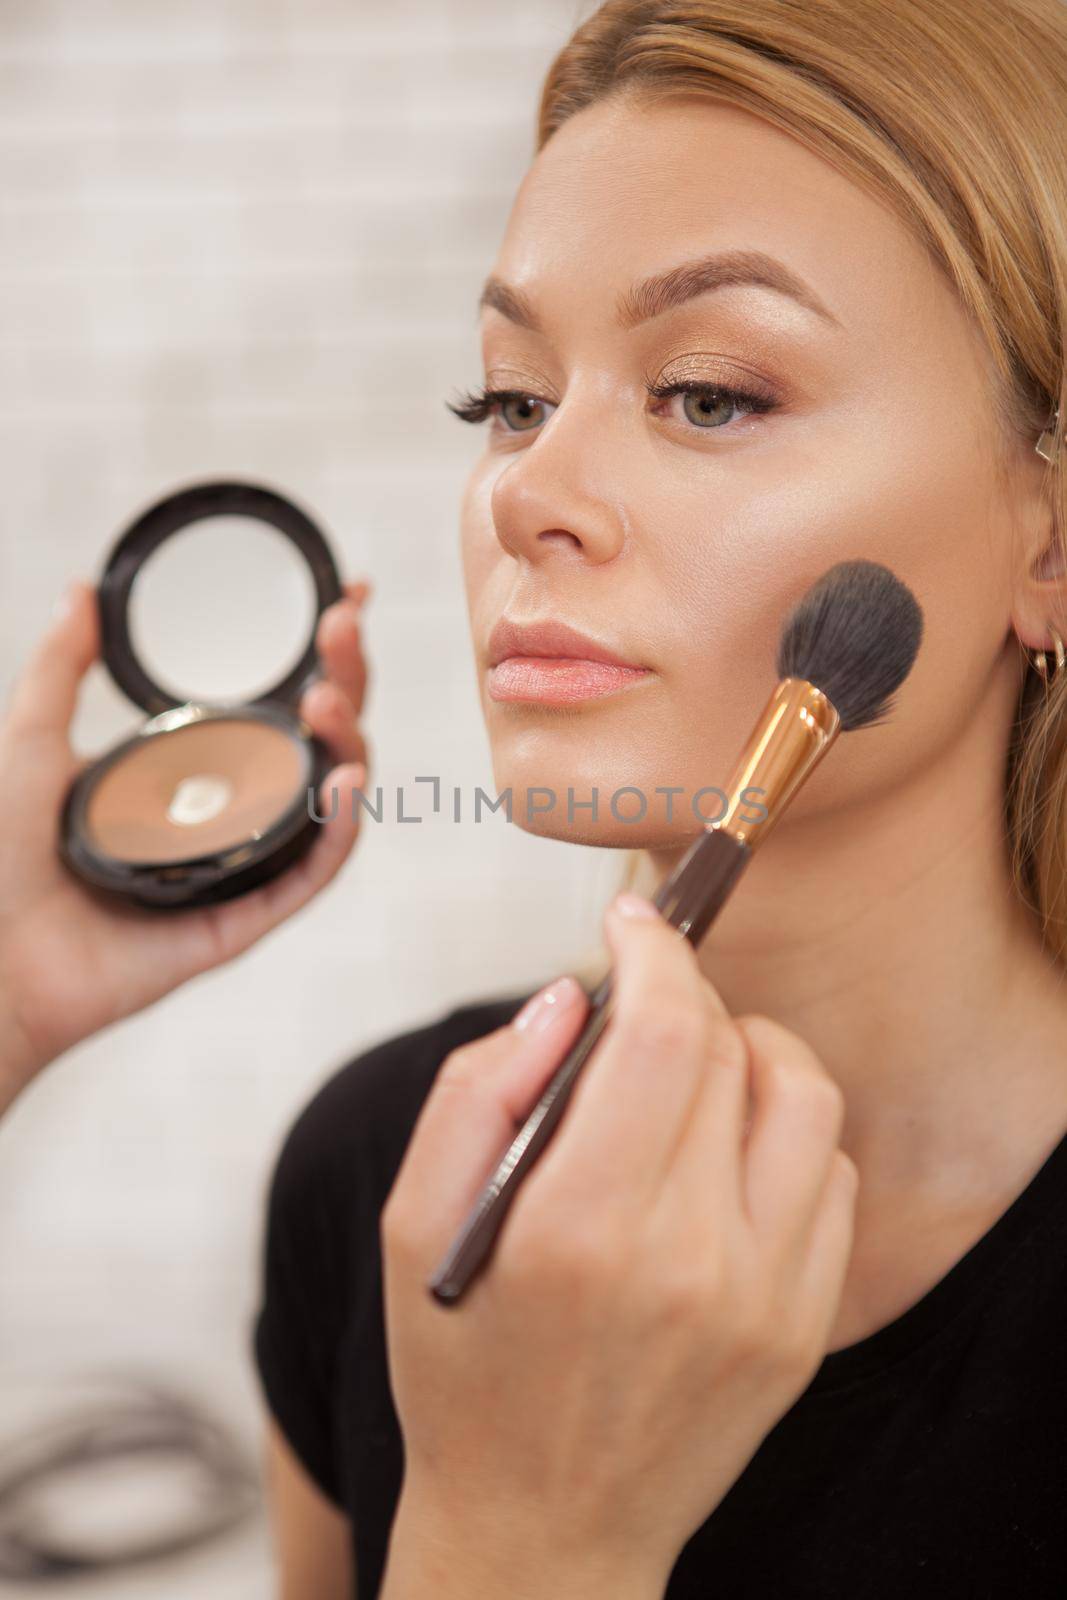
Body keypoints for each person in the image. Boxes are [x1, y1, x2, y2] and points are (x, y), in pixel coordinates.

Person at [3, 1, 1067, 1597]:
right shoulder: (377, 1168)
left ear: (1048, 539)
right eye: (509, 398)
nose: (527, 493)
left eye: (709, 393)